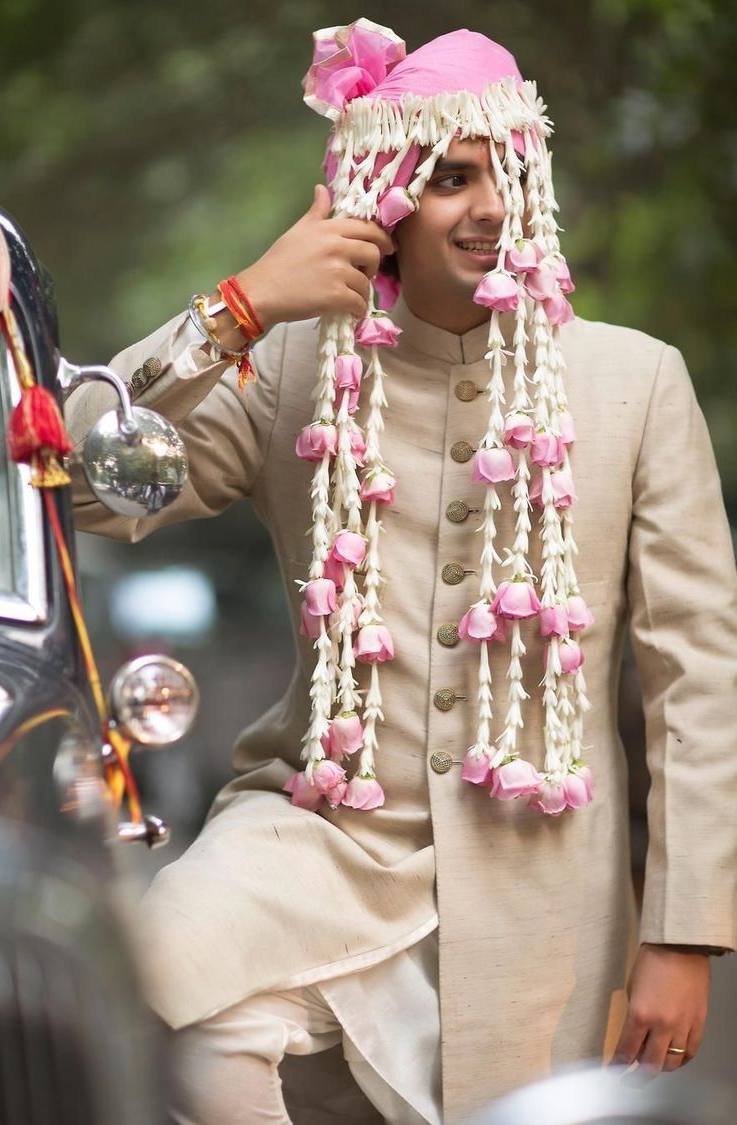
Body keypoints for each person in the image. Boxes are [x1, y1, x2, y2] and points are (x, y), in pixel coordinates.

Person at [66, 18, 737, 1124]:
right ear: (381, 199)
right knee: (158, 987)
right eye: (449, 178)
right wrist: (238, 309)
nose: (488, 206)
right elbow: (88, 484)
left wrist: (682, 932)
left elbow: (696, 683)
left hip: (540, 881)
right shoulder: (291, 365)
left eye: (509, 173)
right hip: (316, 837)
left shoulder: (636, 381)